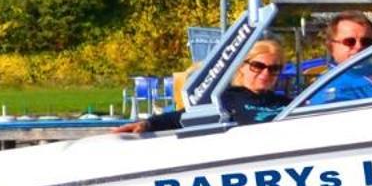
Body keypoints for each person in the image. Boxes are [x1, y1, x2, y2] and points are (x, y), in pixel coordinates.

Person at [114, 40, 290, 134]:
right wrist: (147, 124)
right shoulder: (225, 100)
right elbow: (183, 117)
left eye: (274, 69)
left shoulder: (287, 103)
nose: (265, 73)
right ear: (242, 66)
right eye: (258, 66)